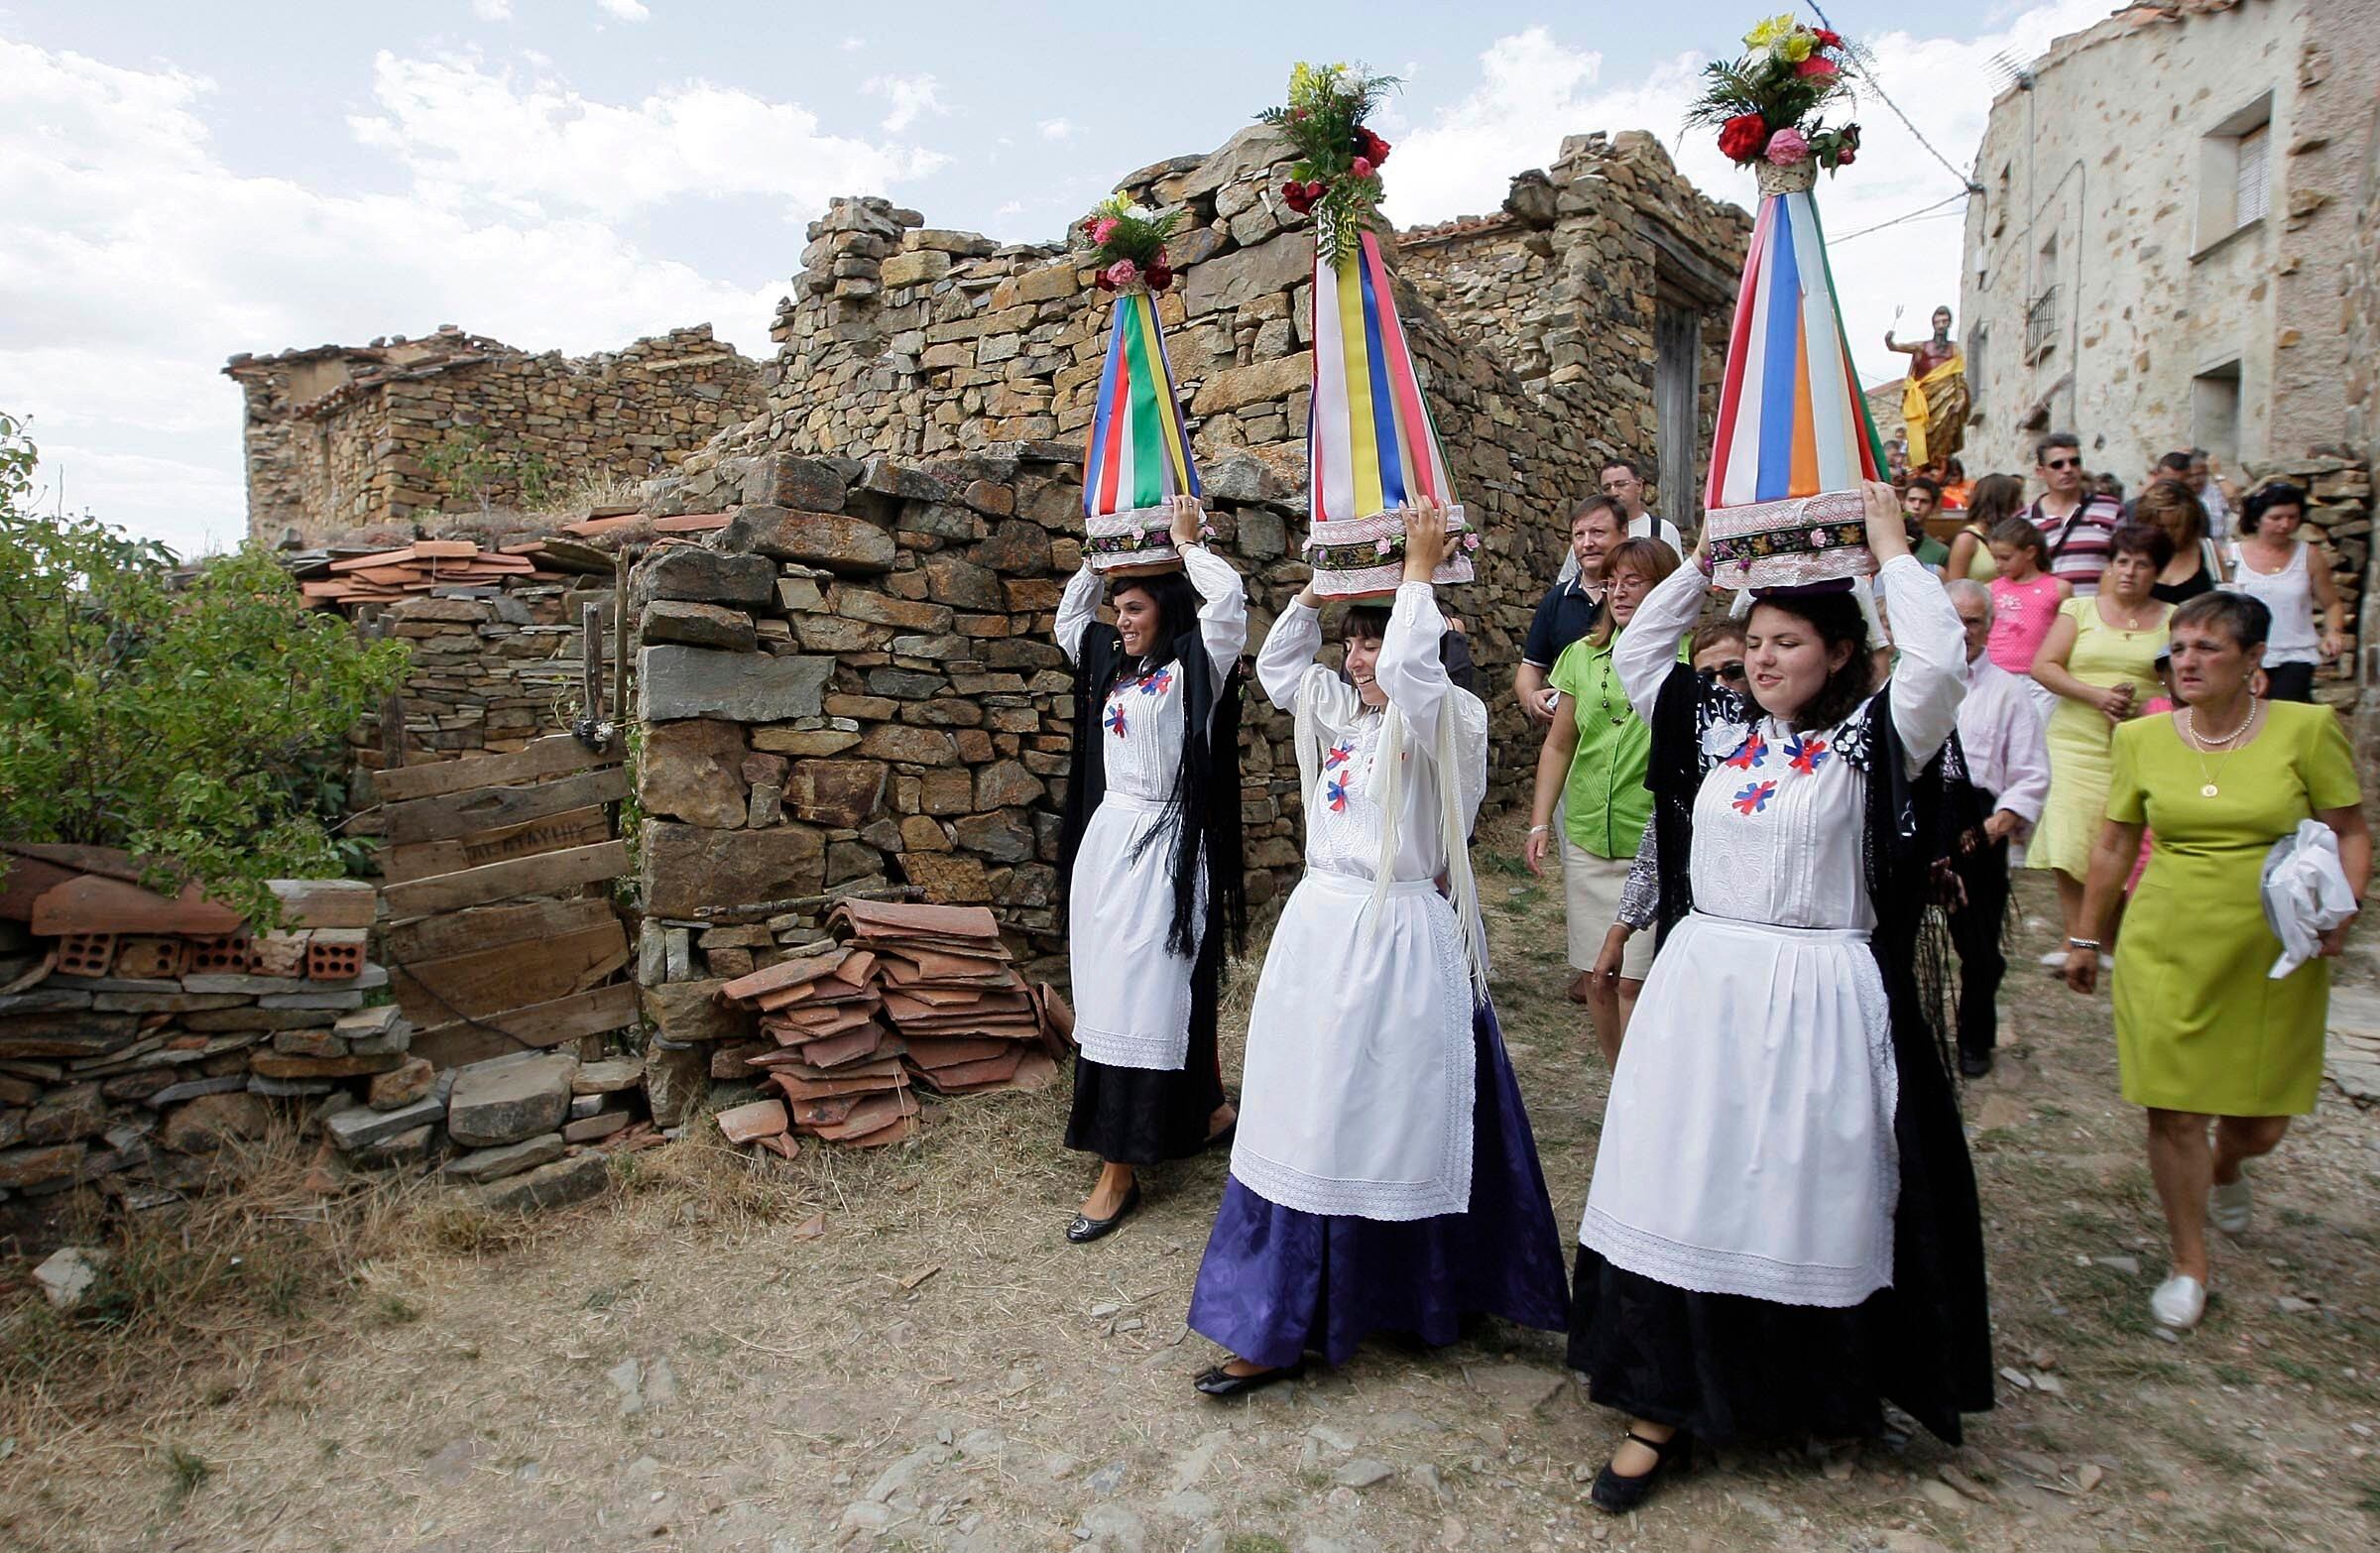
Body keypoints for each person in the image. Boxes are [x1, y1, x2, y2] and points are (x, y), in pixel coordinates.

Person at [1567, 480, 1992, 1510]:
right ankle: (1660, 1400)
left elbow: (1939, 660)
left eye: (1789, 642)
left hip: (1818, 996)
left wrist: (1893, 551)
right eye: (1754, 640)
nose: (1763, 658)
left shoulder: (1874, 745)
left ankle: (1795, 1386)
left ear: (1840, 653)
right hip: (1705, 985)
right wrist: (1711, 561)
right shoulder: (1715, 730)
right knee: (1688, 1183)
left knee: (1797, 1191)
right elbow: (1636, 652)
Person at [1187, 501, 1569, 1395]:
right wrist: (1321, 592)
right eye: (1352, 646)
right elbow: (1280, 664)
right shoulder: (1340, 713)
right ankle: (1284, 1312)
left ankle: (1407, 1292)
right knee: (1309, 1115)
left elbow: (1408, 665)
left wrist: (1418, 576)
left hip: (1400, 935)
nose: (1362, 661)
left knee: (1389, 1118)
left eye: (1374, 643)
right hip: (1323, 929)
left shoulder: (1449, 720)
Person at [2063, 591, 2369, 1330]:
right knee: (2172, 1110)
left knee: (2260, 1121)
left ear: (2255, 660)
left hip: (2272, 943)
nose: (2186, 662)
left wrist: (2342, 910)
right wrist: (2085, 936)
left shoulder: (2307, 728)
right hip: (2167, 936)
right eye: (2180, 646)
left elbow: (2351, 831)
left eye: (2208, 648)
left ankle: (2230, 1165)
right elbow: (2111, 844)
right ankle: (2189, 1262)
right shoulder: (2142, 737)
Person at [1054, 497, 1245, 1242]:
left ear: (1165, 610)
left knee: (1146, 995)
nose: (1122, 619)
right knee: (1114, 991)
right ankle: (1203, 1109)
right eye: (1119, 608)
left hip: (1167, 841)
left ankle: (1120, 1169)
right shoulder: (1113, 662)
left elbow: (1228, 603)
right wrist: (1096, 562)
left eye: (1134, 608)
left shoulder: (1198, 663)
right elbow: (1070, 626)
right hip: (1112, 842)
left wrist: (1189, 546)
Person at [1523, 538, 1680, 1056]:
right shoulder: (1579, 656)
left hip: (1652, 842)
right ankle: (1620, 1089)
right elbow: (1560, 743)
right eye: (1612, 582)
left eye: (1634, 581)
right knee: (1598, 980)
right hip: (1589, 836)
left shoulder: (1690, 658)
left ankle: (1645, 1092)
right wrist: (1541, 821)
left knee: (1635, 982)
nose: (1619, 591)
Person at [2027, 523, 2175, 961]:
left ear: (2157, 572)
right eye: (2122, 561)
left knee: (2119, 833)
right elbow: (2045, 666)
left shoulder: (2174, 618)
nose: (2129, 572)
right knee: (2071, 832)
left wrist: (2149, 705)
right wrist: (2097, 696)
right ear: (2110, 565)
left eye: (2142, 564)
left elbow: (2180, 679)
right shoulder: (2079, 610)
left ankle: (2106, 937)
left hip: (2139, 740)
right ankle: (2076, 936)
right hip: (2076, 737)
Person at [1944, 580, 2051, 1077]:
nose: (1962, 631)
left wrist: (1991, 829)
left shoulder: (2009, 692)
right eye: (1954, 619)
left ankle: (1975, 1040)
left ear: (1989, 627)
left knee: (1980, 948)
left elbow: (2030, 775)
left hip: (1978, 822)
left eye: (1973, 621)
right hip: (1920, 817)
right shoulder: (1906, 685)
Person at [2225, 482, 2347, 703]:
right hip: (2242, 655)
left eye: (2292, 517)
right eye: (2276, 518)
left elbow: (2332, 604)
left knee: (2284, 712)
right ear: (2256, 519)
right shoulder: (2231, 557)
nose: (2285, 525)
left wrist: (2334, 632)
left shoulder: (2309, 556)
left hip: (2294, 654)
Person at [1515, 496, 1621, 725]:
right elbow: (1531, 667)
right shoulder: (1555, 600)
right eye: (1579, 535)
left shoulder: (1638, 598)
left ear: (1624, 534)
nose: (1587, 543)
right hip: (1569, 737)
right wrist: (1531, 698)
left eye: (1598, 532)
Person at [2023, 432, 2124, 595]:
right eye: (2057, 465)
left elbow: (2123, 563)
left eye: (2074, 462)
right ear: (2040, 472)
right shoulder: (2024, 520)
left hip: (2095, 613)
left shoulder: (2110, 509)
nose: (2068, 469)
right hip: (2046, 615)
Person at [1983, 517, 2072, 683]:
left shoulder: (2058, 588)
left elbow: (2068, 632)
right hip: (1997, 671)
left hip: (2040, 676)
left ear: (2030, 552)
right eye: (1994, 558)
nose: (1998, 564)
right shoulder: (1991, 589)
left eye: (2005, 558)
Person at [1885, 305, 1969, 472]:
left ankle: (1940, 464)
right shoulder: (1922, 346)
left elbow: (1958, 376)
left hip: (1947, 394)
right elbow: (1896, 347)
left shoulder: (1954, 349)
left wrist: (1961, 399)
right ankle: (1922, 466)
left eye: (1944, 321)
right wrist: (1889, 340)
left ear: (1949, 323)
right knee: (1924, 431)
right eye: (1937, 321)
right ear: (1933, 324)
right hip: (1924, 396)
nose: (1941, 325)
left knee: (1944, 428)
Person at [2135, 481, 2223, 603]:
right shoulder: (2130, 555)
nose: (2168, 533)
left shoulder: (2209, 551)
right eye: (2160, 526)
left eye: (2176, 526)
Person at [1946, 472, 2024, 584]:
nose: (2021, 506)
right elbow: (1955, 586)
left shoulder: (2012, 536)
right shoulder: (1967, 539)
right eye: (2017, 501)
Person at [1599, 457, 1686, 555]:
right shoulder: (1592, 534)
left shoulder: (1663, 529)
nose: (1614, 492)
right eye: (1607, 488)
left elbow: (1677, 570)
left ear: (1639, 485)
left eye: (1621, 484)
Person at [1903, 478, 1952, 573]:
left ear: (1933, 507)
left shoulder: (1940, 552)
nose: (1916, 506)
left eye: (1924, 501)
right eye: (1912, 500)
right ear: (1903, 503)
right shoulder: (1884, 540)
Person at [2189, 449, 2238, 540]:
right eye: (2191, 475)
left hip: (2217, 547)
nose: (2196, 480)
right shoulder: (2179, 493)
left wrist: (2218, 473)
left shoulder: (2217, 492)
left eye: (2200, 474)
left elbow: (2234, 499)